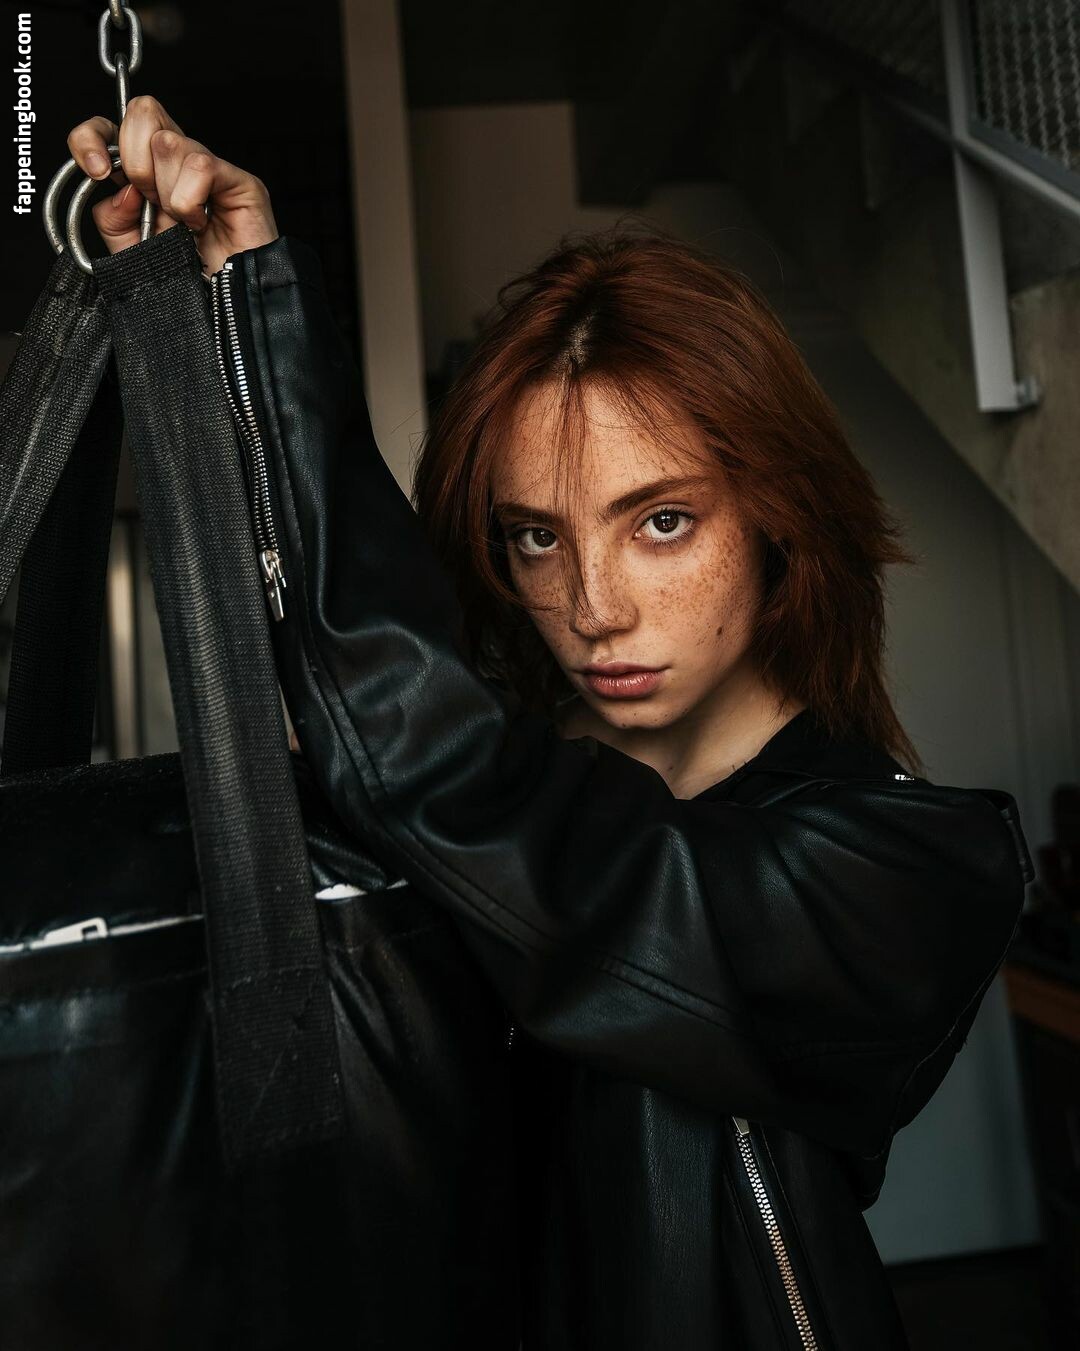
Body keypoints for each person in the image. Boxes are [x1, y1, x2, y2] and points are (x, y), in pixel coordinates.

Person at [69, 98, 1033, 1349]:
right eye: (536, 536)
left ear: (778, 519)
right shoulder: (436, 807)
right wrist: (191, 318)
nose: (591, 607)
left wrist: (264, 313)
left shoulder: (910, 868)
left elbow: (575, 876)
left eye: (661, 522)